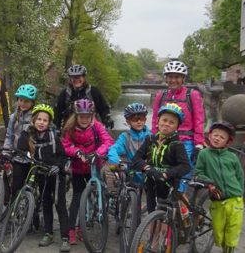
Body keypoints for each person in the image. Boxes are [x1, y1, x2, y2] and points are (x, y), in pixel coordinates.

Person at [15, 104, 70, 252]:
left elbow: (63, 155)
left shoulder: (53, 136)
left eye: (45, 120)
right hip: (42, 174)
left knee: (60, 205)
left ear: (49, 123)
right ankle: (48, 233)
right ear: (33, 120)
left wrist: (58, 166)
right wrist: (25, 136)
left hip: (56, 175)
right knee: (46, 203)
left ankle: (65, 238)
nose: (41, 122)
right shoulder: (29, 134)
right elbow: (20, 149)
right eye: (38, 119)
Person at [60, 99, 113, 245]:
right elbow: (65, 145)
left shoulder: (97, 126)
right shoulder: (70, 128)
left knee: (99, 190)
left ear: (92, 115)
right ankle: (72, 230)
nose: (84, 119)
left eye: (87, 116)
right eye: (81, 116)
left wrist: (98, 152)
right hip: (78, 167)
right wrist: (76, 151)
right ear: (76, 116)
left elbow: (108, 141)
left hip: (94, 166)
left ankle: (86, 223)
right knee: (77, 198)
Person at [132, 103, 190, 215]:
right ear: (158, 121)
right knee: (151, 212)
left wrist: (168, 173)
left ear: (177, 127)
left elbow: (185, 166)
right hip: (150, 181)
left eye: (172, 122)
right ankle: (153, 231)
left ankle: (167, 229)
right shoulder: (150, 139)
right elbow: (137, 159)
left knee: (165, 216)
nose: (167, 124)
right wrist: (146, 168)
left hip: (168, 184)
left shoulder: (177, 144)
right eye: (164, 120)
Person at [195, 121, 244, 253]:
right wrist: (209, 183)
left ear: (228, 142)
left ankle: (229, 250)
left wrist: (240, 192)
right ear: (209, 136)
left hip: (235, 199)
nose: (217, 138)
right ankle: (224, 247)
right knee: (218, 231)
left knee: (232, 230)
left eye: (222, 137)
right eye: (215, 135)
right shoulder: (204, 154)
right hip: (217, 199)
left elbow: (240, 176)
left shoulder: (232, 157)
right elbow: (199, 172)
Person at [152, 60, 205, 173]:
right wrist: (154, 138)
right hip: (165, 141)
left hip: (185, 142)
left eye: (177, 77)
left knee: (183, 177)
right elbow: (155, 120)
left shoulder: (192, 95)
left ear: (183, 79)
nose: (173, 80)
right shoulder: (160, 96)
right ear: (166, 78)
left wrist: (199, 143)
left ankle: (181, 191)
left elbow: (199, 120)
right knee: (163, 175)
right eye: (170, 77)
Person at [103, 103, 151, 192]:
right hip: (131, 172)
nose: (139, 121)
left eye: (142, 118)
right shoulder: (125, 137)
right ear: (128, 121)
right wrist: (115, 161)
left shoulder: (151, 137)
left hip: (146, 172)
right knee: (114, 171)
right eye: (135, 119)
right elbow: (114, 148)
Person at [54, 64, 113, 130]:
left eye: (79, 77)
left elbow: (103, 108)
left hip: (91, 129)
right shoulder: (65, 93)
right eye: (73, 77)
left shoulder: (93, 91)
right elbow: (57, 113)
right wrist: (57, 127)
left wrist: (107, 119)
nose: (76, 79)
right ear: (70, 79)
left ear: (84, 77)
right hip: (70, 130)